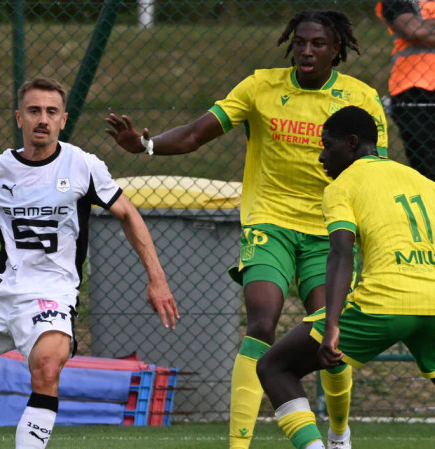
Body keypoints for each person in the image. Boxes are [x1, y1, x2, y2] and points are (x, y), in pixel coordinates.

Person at [105, 10, 389, 449]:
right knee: (260, 322)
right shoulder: (260, 87)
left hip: (330, 231)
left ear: (337, 49)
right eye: (299, 42)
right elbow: (196, 134)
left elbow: (375, 171)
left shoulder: (361, 98)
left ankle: (338, 433)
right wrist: (146, 145)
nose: (306, 51)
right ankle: (238, 445)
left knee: (329, 338)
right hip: (269, 223)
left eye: (317, 43)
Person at [0, 77, 178, 449]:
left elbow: (128, 214)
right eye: (34, 111)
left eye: (51, 112)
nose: (43, 119)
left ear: (63, 120)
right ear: (19, 118)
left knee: (46, 367)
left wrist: (157, 277)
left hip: (52, 294)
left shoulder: (82, 165)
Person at [257, 105, 435, 449]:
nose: (321, 156)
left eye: (327, 145)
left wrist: (333, 325)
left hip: (385, 304)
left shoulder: (343, 186)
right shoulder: (425, 183)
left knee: (274, 367)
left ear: (351, 143)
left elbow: (340, 253)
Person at [377, 0, 435, 181]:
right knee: (428, 171)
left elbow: (423, 31)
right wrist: (421, 30)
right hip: (414, 90)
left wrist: (427, 27)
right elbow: (414, 31)